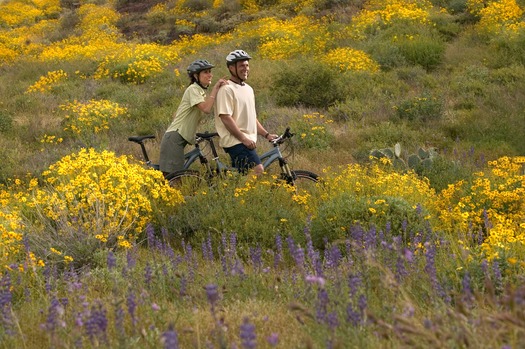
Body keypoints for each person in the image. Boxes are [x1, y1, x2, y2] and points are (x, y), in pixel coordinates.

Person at [159, 59, 228, 175]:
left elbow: (178, 115)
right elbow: (206, 109)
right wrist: (216, 89)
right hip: (174, 137)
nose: (210, 75)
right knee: (174, 177)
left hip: (177, 136)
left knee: (172, 176)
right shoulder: (193, 89)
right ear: (196, 76)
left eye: (210, 71)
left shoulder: (200, 91)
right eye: (206, 72)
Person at [214, 49, 277, 175]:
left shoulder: (249, 89)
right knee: (257, 169)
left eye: (247, 65)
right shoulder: (226, 89)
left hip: (246, 141)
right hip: (236, 141)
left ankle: (234, 193)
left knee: (240, 176)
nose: (246, 68)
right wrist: (243, 139)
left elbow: (251, 118)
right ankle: (244, 195)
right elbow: (225, 117)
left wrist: (266, 135)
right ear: (232, 68)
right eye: (242, 65)